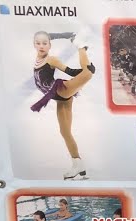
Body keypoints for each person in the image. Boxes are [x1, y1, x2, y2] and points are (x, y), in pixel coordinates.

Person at [30, 30, 96, 180]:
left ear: (49, 46)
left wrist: (84, 72)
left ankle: (81, 46)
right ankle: (78, 165)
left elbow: (71, 72)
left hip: (62, 90)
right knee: (65, 132)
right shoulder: (37, 59)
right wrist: (62, 35)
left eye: (45, 43)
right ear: (34, 44)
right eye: (38, 43)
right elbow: (47, 35)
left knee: (87, 73)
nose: (41, 46)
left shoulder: (51, 60)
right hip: (59, 98)